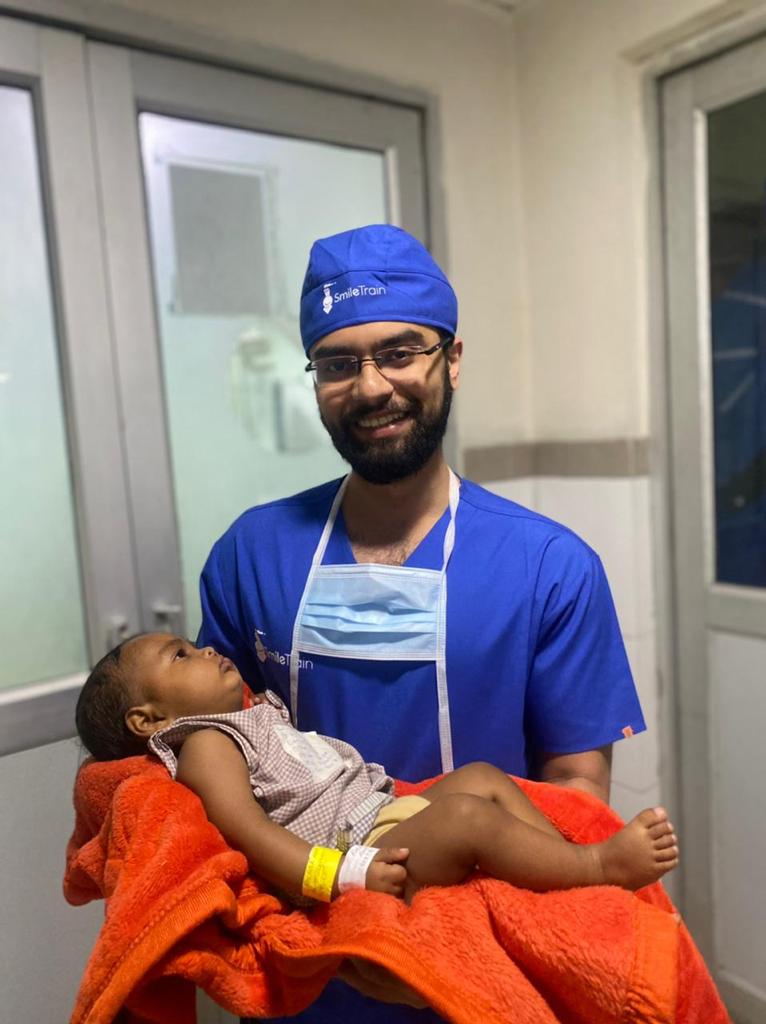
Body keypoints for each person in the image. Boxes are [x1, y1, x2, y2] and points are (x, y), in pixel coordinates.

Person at [197, 224, 649, 1022]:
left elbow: (576, 795)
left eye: (400, 352)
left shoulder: (548, 568)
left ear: (453, 360)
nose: (371, 387)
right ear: (315, 381)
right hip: (307, 964)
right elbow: (211, 776)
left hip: (482, 965)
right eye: (339, 363)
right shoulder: (250, 556)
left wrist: (448, 933)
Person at [74, 633, 678, 914]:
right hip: (358, 850)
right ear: (149, 720)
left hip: (380, 813)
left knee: (484, 777)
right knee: (469, 817)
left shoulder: (252, 713)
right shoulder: (207, 742)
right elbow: (247, 833)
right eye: (180, 655)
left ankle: (558, 879)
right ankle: (597, 868)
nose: (204, 649)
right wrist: (341, 875)